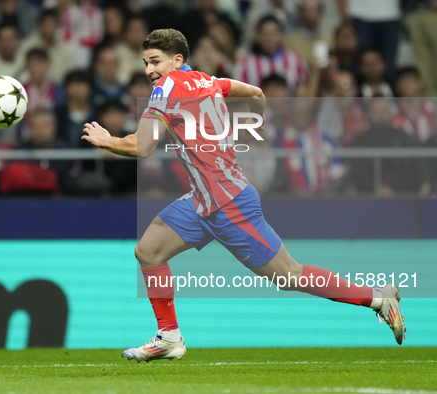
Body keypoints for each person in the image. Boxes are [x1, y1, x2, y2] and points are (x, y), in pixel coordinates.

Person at [82, 28, 405, 362]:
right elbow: (255, 92)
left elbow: (143, 146)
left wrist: (109, 141)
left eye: (155, 61)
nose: (149, 70)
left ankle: (378, 299)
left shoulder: (165, 90)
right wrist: (259, 115)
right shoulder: (208, 80)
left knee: (289, 275)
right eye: (146, 63)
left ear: (177, 60)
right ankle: (169, 337)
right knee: (148, 252)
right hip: (203, 200)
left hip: (229, 204)